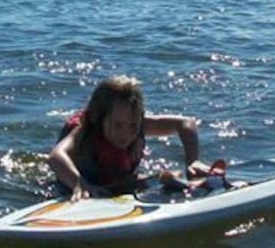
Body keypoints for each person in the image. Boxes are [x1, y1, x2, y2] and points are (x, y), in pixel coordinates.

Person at [48, 75, 209, 201]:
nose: (126, 134)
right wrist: (80, 185)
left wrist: (192, 161)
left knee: (165, 178)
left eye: (133, 125)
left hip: (118, 183)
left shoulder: (140, 124)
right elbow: (56, 157)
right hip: (78, 188)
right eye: (118, 126)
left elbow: (186, 124)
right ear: (98, 118)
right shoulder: (85, 131)